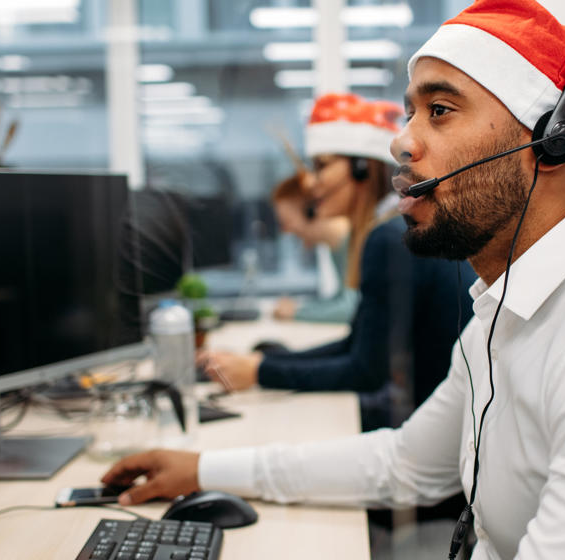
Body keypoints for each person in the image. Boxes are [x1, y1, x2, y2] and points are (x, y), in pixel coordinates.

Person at [103, 2, 565, 558]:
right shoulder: (501, 311)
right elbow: (404, 464)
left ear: (551, 141)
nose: (401, 141)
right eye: (410, 113)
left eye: (440, 110)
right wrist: (203, 470)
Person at [199, 92, 476, 430]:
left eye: (322, 167)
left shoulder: (390, 238)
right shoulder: (393, 227)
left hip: (443, 431)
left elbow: (366, 370)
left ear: (362, 168)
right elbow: (357, 345)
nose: (311, 184)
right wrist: (262, 362)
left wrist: (260, 372)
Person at [269, 172, 358, 324]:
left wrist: (297, 313)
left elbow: (350, 309)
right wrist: (299, 308)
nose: (286, 231)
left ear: (311, 211)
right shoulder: (336, 246)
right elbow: (339, 298)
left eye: (287, 222)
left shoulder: (354, 240)